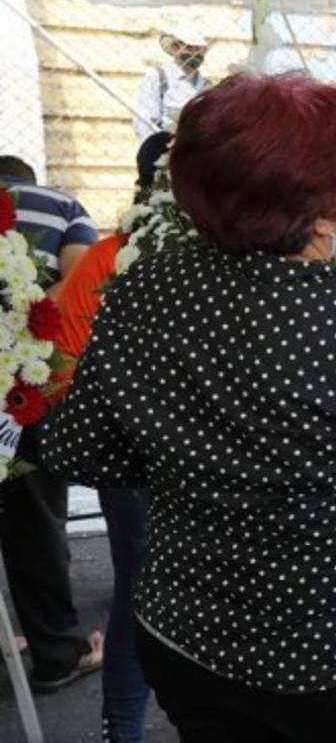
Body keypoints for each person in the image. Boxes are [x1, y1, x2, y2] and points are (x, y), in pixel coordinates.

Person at [44, 73, 336, 742]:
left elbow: (81, 447)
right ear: (318, 199)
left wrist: (195, 465)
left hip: (190, 636)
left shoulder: (145, 289)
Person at [51, 131, 173, 742]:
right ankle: (123, 726)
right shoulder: (108, 258)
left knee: (144, 589)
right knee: (144, 589)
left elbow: (63, 372)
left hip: (140, 462)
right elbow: (62, 367)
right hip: (138, 468)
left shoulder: (114, 256)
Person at [0, 155, 103, 695]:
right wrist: (24, 345)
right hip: (26, 384)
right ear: (27, 180)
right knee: (32, 514)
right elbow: (79, 282)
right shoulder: (61, 204)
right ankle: (56, 654)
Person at [133, 24, 210, 142]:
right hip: (164, 149)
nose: (195, 54)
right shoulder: (158, 77)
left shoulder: (206, 86)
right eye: (189, 48)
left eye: (198, 49)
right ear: (175, 48)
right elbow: (144, 121)